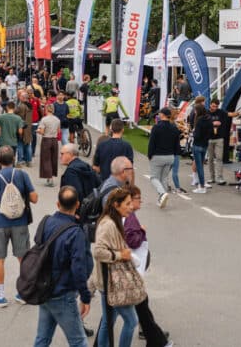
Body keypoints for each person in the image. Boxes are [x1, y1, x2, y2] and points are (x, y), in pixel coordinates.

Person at [32, 186, 92, 347]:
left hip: (44, 288)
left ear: (58, 204)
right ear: (77, 204)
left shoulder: (46, 222)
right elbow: (79, 268)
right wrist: (85, 297)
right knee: (79, 341)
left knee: (42, 338)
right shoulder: (76, 232)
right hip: (63, 293)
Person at [0, 146, 38, 306]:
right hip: (20, 222)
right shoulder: (22, 175)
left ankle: (0, 296)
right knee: (22, 258)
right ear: (13, 159)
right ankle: (23, 293)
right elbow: (34, 198)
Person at [90, 187, 139, 347]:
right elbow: (98, 251)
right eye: (127, 203)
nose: (131, 207)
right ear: (116, 205)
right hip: (112, 283)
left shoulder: (113, 220)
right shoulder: (108, 224)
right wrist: (120, 255)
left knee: (108, 321)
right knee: (131, 321)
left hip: (109, 282)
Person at [123, 186, 172, 347]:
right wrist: (142, 231)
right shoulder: (129, 218)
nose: (140, 201)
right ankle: (156, 339)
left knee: (140, 305)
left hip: (130, 269)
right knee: (137, 306)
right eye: (138, 198)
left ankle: (153, 337)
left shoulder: (127, 216)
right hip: (130, 269)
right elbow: (133, 240)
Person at [146, 107, 179, 208]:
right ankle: (161, 199)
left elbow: (152, 143)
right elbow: (176, 144)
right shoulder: (174, 128)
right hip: (170, 156)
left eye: (160, 114)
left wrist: (150, 155)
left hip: (158, 156)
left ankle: (162, 194)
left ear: (162, 115)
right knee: (164, 178)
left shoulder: (156, 127)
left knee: (154, 178)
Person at [190, 99, 213, 194]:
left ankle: (202, 186)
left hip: (197, 144)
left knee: (199, 166)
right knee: (201, 165)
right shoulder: (208, 119)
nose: (194, 112)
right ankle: (201, 184)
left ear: (198, 111)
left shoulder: (199, 121)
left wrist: (193, 133)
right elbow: (211, 133)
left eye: (195, 110)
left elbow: (197, 134)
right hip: (205, 144)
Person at [206, 99, 229, 186]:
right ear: (210, 105)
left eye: (216, 106)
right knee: (210, 159)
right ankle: (212, 177)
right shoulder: (206, 113)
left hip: (219, 138)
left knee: (219, 158)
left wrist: (238, 113)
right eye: (213, 106)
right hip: (209, 138)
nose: (214, 108)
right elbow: (203, 123)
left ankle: (220, 177)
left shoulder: (221, 112)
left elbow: (228, 116)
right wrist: (212, 123)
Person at [38, 104, 62, 186]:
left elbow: (41, 131)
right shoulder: (57, 119)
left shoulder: (44, 120)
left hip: (46, 139)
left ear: (46, 110)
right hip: (54, 140)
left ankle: (49, 178)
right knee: (53, 159)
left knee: (46, 159)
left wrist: (38, 131)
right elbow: (59, 131)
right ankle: (51, 176)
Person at [15, 92, 34, 167]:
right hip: (28, 128)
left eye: (20, 96)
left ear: (23, 98)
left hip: (22, 127)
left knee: (20, 144)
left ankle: (20, 161)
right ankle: (29, 161)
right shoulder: (30, 106)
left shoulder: (21, 106)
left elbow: (17, 115)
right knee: (28, 144)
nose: (19, 97)